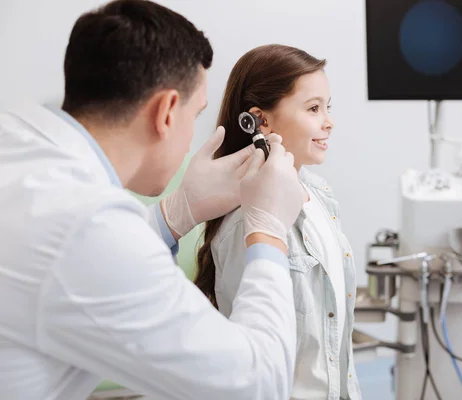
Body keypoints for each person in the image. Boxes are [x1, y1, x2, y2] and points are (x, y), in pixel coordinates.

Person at [0, 1, 305, 400]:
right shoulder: (86, 225)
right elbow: (257, 384)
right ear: (165, 112)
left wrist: (176, 213)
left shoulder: (19, 138)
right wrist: (267, 232)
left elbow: (77, 265)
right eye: (195, 116)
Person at [195, 44, 363, 400]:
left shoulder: (320, 197)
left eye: (327, 107)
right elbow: (253, 359)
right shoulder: (248, 221)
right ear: (261, 121)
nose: (328, 121)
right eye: (313, 108)